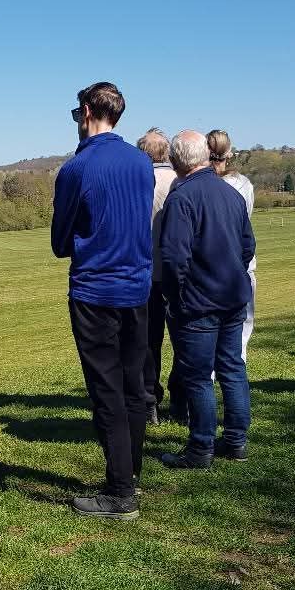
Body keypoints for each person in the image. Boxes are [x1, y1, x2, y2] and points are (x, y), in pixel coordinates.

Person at [52, 82, 154, 520]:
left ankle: (119, 493)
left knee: (107, 391)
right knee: (134, 386)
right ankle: (130, 472)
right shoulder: (141, 162)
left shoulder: (77, 168)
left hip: (95, 290)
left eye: (78, 114)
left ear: (90, 111)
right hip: (138, 289)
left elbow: (60, 242)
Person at [157, 130, 255, 469]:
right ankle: (236, 439)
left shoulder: (181, 197)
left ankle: (201, 448)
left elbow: (172, 258)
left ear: (175, 161)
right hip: (232, 296)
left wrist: (175, 295)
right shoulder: (231, 194)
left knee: (198, 376)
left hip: (198, 301)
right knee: (232, 368)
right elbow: (247, 247)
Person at [207, 129, 257, 362]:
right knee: (241, 327)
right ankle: (236, 369)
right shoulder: (243, 184)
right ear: (229, 153)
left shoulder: (198, 183)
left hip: (209, 264)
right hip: (239, 262)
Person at [138, 127, 176, 425]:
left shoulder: (138, 181)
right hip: (176, 272)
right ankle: (182, 398)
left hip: (147, 273)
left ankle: (150, 399)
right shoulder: (179, 180)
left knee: (149, 343)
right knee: (183, 340)